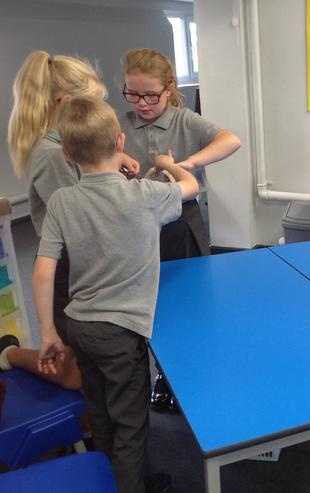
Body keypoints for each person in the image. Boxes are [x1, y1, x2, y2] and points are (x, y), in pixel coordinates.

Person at [33, 95, 198, 493]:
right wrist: (165, 164)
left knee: (102, 413)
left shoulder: (62, 201)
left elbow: (42, 272)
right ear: (120, 142)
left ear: (68, 154)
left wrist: (49, 334)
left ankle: (114, 480)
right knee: (131, 426)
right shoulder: (145, 194)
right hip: (120, 333)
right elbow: (191, 185)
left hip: (79, 326)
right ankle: (129, 484)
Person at [118, 47, 241, 409]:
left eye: (150, 95)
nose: (142, 104)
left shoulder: (185, 120)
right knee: (144, 301)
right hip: (135, 224)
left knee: (186, 301)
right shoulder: (120, 123)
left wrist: (185, 165)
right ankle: (154, 373)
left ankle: (181, 376)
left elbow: (230, 140)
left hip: (179, 221)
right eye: (132, 94)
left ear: (169, 88)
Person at [5, 51, 121, 387]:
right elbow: (81, 217)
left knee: (87, 363)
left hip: (77, 260)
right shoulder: (53, 154)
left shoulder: (64, 146)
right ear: (67, 103)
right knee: (72, 370)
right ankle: (10, 354)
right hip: (67, 266)